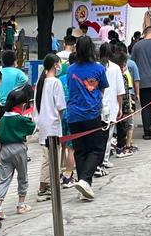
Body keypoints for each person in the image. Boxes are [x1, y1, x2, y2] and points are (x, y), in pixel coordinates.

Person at [67, 36, 109, 201]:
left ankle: (85, 184)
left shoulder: (70, 69)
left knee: (80, 151)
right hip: (91, 114)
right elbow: (103, 89)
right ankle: (84, 180)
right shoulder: (98, 69)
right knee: (97, 149)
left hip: (73, 115)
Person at [0, 90, 36, 219]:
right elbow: (33, 128)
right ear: (23, 105)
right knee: (22, 176)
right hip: (18, 148)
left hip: (4, 150)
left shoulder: (3, 118)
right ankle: (21, 205)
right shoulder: (20, 118)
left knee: (4, 178)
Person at [34, 54, 66, 201]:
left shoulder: (41, 82)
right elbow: (60, 106)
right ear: (55, 64)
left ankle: (46, 184)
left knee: (46, 155)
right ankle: (45, 186)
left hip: (42, 123)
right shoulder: (55, 82)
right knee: (51, 156)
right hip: (53, 124)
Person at [99, 43, 125, 171]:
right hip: (111, 105)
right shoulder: (115, 68)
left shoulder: (96, 67)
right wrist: (120, 108)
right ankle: (104, 159)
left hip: (97, 106)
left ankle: (99, 160)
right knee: (108, 135)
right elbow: (120, 91)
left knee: (98, 134)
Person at [58, 53, 77, 188]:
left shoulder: (60, 79)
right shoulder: (77, 78)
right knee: (71, 148)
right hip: (72, 115)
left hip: (59, 115)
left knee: (61, 145)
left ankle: (59, 172)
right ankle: (68, 176)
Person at [111, 51, 133, 157]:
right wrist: (126, 108)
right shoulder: (121, 76)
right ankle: (121, 149)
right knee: (122, 128)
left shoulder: (110, 73)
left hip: (112, 106)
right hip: (122, 107)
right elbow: (123, 94)